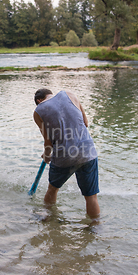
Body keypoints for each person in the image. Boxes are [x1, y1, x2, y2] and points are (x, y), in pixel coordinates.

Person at [33, 88, 100, 218]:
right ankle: (94, 229)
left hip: (64, 155)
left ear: (39, 100)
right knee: (91, 197)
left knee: (52, 190)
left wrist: (47, 156)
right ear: (50, 94)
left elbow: (48, 142)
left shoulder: (38, 111)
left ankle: (50, 219)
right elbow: (85, 123)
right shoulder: (70, 94)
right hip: (87, 151)